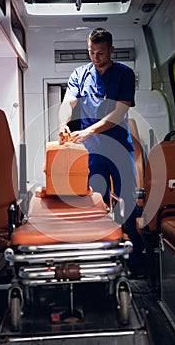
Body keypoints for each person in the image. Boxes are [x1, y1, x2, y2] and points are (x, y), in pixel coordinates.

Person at [59, 27, 144, 273]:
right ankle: (101, 254)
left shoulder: (124, 74)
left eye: (101, 53)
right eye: (91, 52)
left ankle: (136, 254)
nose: (96, 58)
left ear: (111, 51)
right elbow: (68, 103)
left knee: (126, 199)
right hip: (93, 150)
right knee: (96, 200)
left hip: (118, 146)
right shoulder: (80, 74)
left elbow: (118, 113)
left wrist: (86, 132)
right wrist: (63, 124)